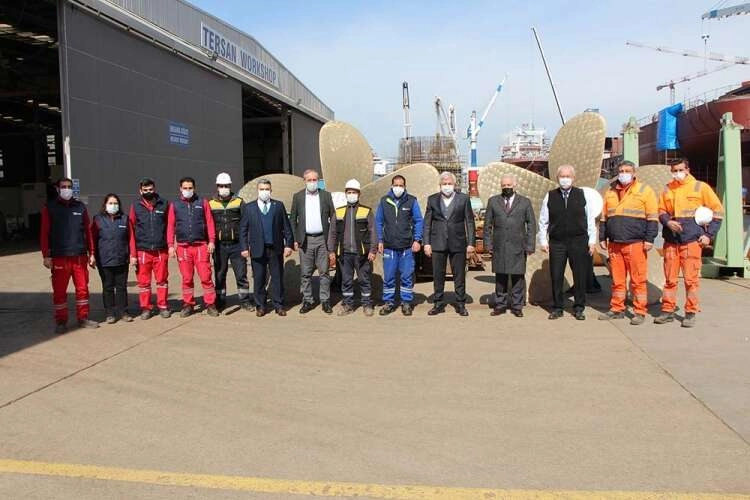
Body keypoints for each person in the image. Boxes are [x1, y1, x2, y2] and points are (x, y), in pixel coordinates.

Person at [655, 158, 723, 328]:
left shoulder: (701, 187)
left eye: (680, 170)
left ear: (687, 170)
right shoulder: (667, 189)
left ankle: (690, 312)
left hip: (691, 241)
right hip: (671, 241)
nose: (677, 173)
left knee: (690, 280)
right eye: (674, 170)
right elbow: (661, 210)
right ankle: (667, 310)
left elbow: (718, 212)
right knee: (670, 279)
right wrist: (668, 222)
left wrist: (708, 235)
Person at [598, 161, 659, 326]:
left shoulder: (644, 191)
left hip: (635, 243)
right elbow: (604, 218)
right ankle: (617, 309)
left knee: (638, 280)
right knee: (617, 280)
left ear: (634, 173)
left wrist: (649, 239)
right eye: (621, 171)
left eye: (627, 171)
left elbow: (652, 217)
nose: (623, 174)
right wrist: (602, 238)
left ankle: (640, 311)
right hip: (615, 244)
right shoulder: (610, 192)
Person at [40, 177, 99, 333]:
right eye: (63, 186)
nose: (66, 189)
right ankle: (61, 321)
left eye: (69, 186)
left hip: (79, 256)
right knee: (59, 292)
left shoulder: (80, 207)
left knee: (82, 289)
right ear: (57, 189)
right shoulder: (50, 207)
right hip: (60, 256)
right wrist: (46, 255)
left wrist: (92, 253)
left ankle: (83, 318)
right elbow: (44, 233)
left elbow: (88, 232)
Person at [538, 165, 597, 320]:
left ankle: (579, 307)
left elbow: (590, 219)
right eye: (562, 176)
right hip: (557, 242)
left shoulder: (582, 194)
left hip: (578, 240)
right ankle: (558, 307)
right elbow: (543, 220)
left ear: (573, 178)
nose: (565, 179)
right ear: (557, 178)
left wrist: (592, 241)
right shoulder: (550, 196)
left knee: (579, 275)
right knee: (556, 275)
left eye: (568, 176)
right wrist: (543, 240)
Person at [423, 171, 476, 317]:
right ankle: (438, 303)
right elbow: (427, 223)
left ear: (454, 184)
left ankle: (460, 303)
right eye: (444, 183)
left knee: (459, 275)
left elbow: (469, 221)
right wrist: (426, 243)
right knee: (438, 274)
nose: (447, 186)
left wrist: (471, 243)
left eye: (449, 183)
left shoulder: (463, 199)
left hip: (458, 241)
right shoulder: (432, 199)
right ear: (440, 185)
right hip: (437, 242)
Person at [483, 173, 536, 317]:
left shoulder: (525, 202)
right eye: (504, 185)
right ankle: (500, 305)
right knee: (500, 277)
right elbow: (487, 225)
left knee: (518, 278)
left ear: (515, 185)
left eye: (509, 185)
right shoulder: (493, 201)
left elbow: (531, 224)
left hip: (518, 246)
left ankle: (517, 306)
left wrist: (530, 245)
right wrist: (488, 244)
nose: (506, 187)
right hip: (499, 246)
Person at [240, 178, 293, 317]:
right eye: (262, 189)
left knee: (277, 278)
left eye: (267, 189)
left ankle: (278, 305)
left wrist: (288, 245)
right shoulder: (249, 207)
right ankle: (261, 306)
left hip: (275, 248)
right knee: (259, 278)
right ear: (257, 191)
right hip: (257, 248)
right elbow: (243, 229)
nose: (264, 191)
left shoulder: (278, 206)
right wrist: (244, 247)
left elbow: (286, 227)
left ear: (271, 190)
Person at [166, 177, 219, 317]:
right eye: (185, 188)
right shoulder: (175, 205)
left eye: (190, 188)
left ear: (194, 188)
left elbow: (210, 222)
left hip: (201, 246)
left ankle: (210, 304)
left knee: (206, 277)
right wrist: (170, 245)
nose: (187, 190)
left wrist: (211, 241)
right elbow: (170, 226)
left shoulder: (202, 202)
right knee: (187, 278)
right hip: (183, 247)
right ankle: (188, 304)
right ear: (180, 189)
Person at [289, 169, 337, 314]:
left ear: (318, 181)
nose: (312, 182)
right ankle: (308, 300)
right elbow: (293, 219)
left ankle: (325, 300)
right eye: (309, 180)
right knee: (305, 273)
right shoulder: (298, 197)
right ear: (304, 181)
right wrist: (295, 239)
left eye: (314, 180)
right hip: (305, 240)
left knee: (324, 272)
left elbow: (333, 217)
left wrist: (331, 241)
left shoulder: (326, 196)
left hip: (322, 239)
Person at [375, 174, 424, 316]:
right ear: (391, 186)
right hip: (389, 246)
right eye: (395, 185)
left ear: (405, 186)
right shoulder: (384, 201)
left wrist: (417, 240)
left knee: (406, 276)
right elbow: (378, 222)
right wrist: (380, 240)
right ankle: (388, 303)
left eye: (400, 185)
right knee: (389, 277)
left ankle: (406, 303)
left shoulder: (411, 201)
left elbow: (418, 221)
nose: (398, 188)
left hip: (406, 247)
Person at [209, 172, 252, 312]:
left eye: (226, 186)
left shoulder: (239, 202)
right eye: (221, 186)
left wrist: (246, 245)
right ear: (217, 186)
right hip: (219, 246)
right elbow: (208, 225)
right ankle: (220, 301)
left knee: (241, 274)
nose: (224, 188)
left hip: (237, 245)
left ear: (230, 186)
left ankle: (245, 301)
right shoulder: (211, 203)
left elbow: (246, 224)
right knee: (219, 275)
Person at [128, 178, 171, 320]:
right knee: (144, 282)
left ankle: (163, 306)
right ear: (140, 191)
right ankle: (145, 308)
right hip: (143, 250)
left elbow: (170, 226)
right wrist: (133, 254)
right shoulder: (136, 206)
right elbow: (131, 229)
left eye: (150, 189)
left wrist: (170, 245)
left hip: (160, 250)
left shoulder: (164, 204)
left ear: (154, 189)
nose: (148, 192)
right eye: (145, 190)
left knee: (162, 280)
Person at [334, 179, 377, 316]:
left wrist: (373, 250)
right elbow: (332, 233)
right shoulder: (339, 212)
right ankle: (348, 305)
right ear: (345, 193)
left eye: (354, 192)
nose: (351, 195)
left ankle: (367, 304)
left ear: (359, 194)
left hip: (362, 253)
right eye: (349, 192)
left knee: (364, 280)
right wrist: (331, 251)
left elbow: (373, 232)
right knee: (346, 281)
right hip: (345, 253)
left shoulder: (366, 211)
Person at [90, 194, 132, 324]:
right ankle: (109, 312)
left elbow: (131, 238)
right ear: (105, 205)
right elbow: (92, 239)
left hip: (121, 259)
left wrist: (132, 255)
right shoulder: (98, 219)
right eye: (110, 203)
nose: (113, 206)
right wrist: (92, 254)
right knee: (107, 286)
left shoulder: (125, 219)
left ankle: (123, 311)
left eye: (115, 203)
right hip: (104, 259)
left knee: (121, 286)